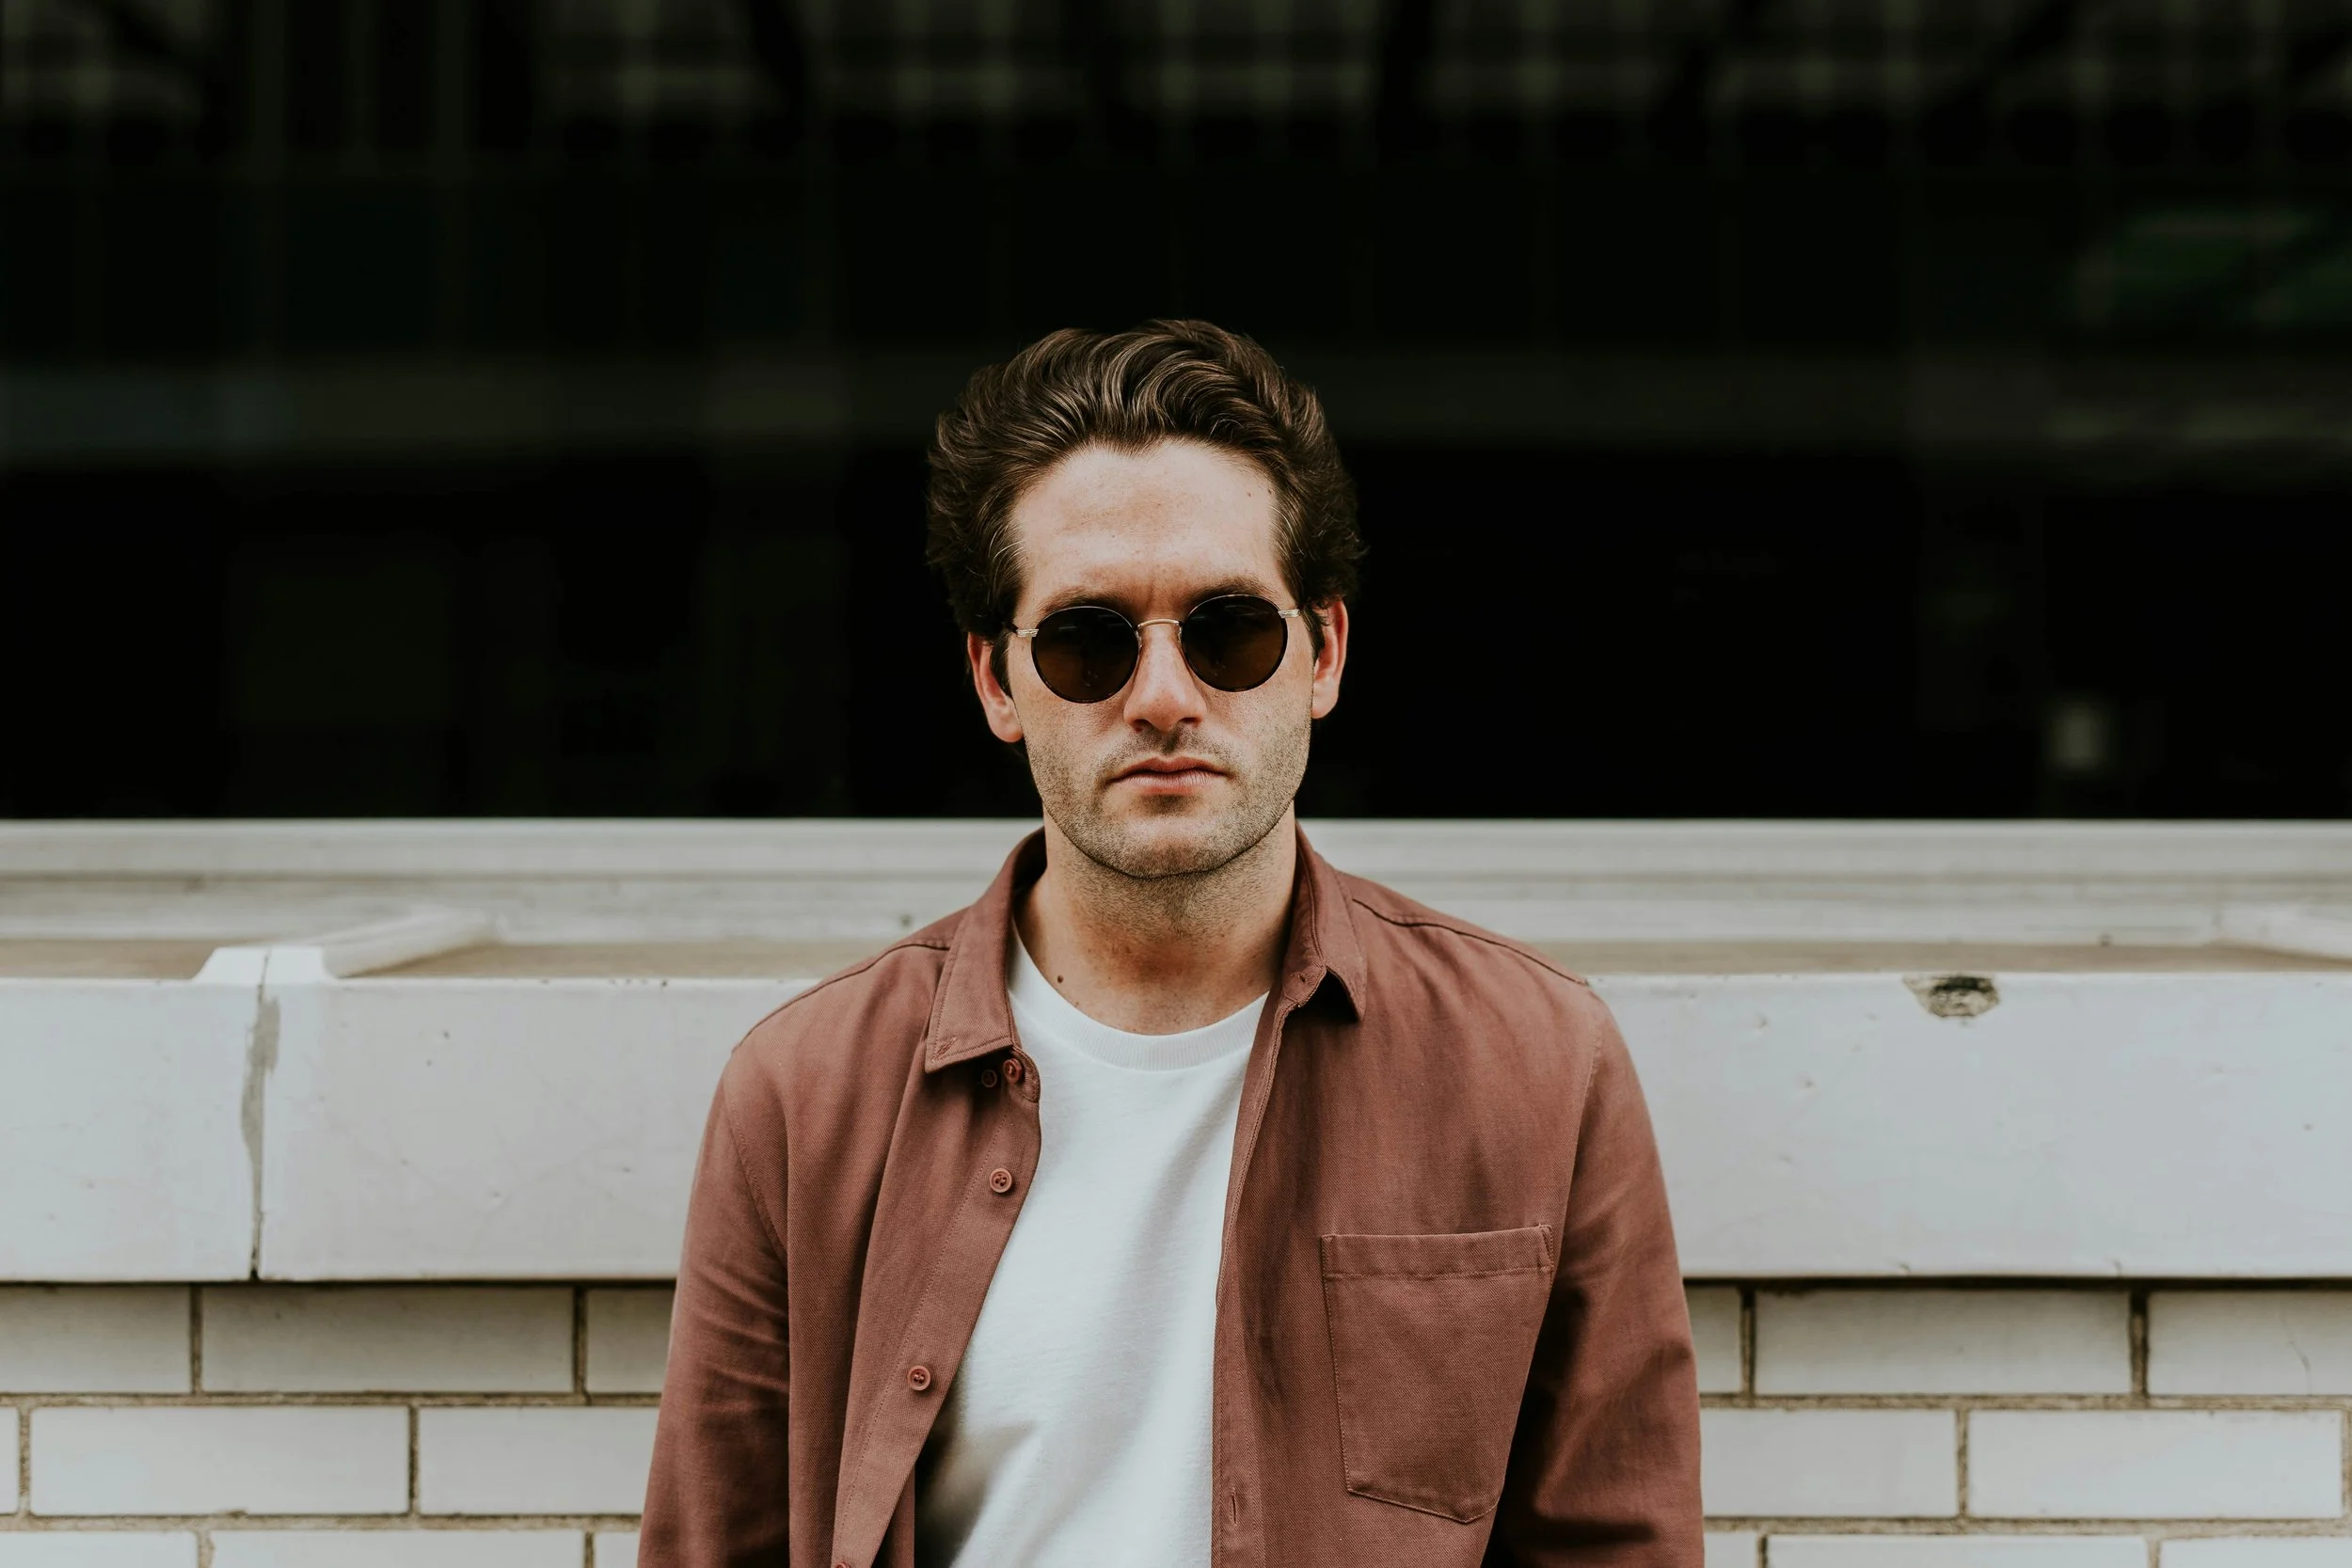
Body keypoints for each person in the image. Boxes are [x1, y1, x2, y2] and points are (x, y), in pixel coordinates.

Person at [638, 321, 1701, 1568]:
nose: (1164, 696)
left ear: (1325, 653)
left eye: (1229, 630)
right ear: (994, 678)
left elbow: (1615, 1546)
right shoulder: (809, 1094)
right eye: (1088, 640)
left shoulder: (1534, 1067)